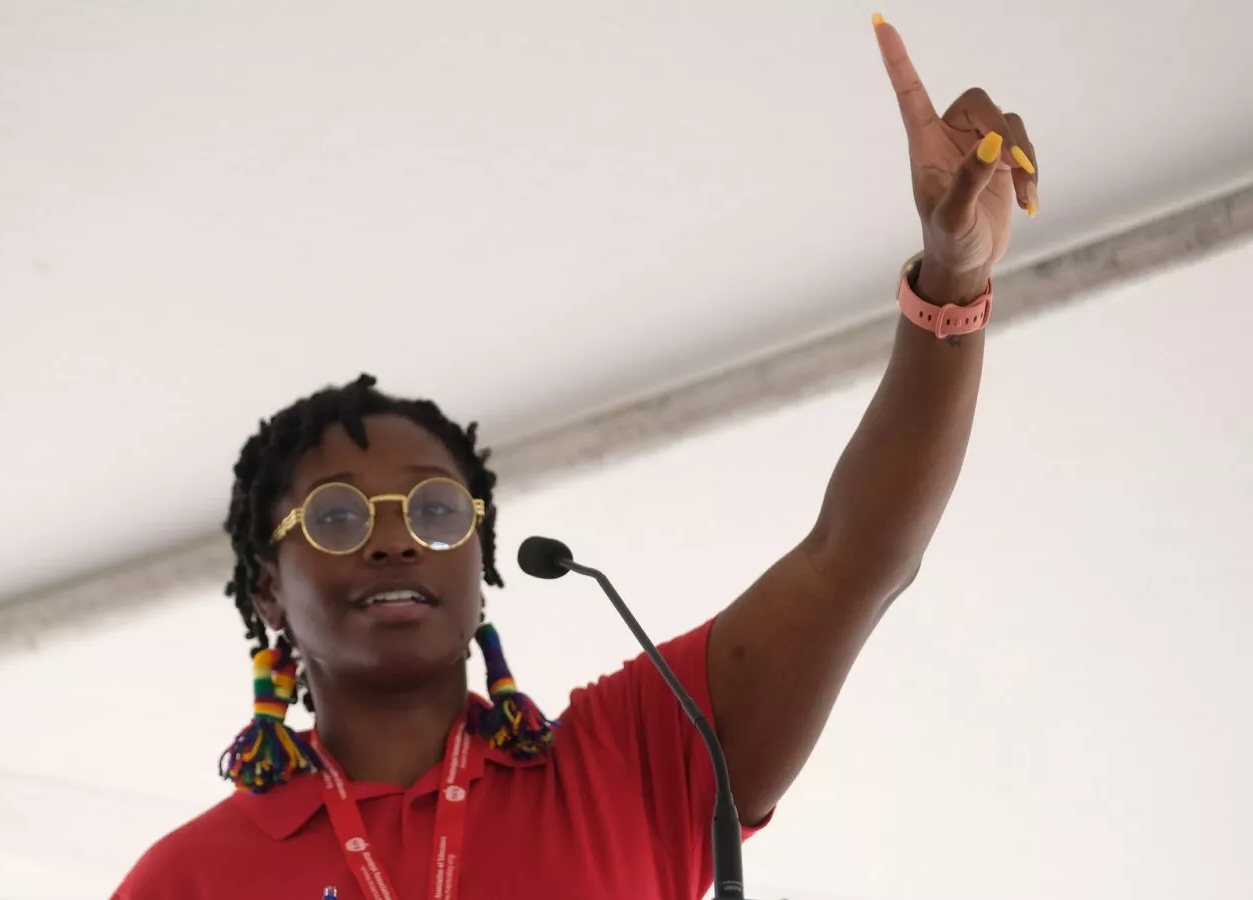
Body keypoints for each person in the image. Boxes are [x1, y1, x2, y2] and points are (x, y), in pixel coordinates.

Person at [114, 15, 1038, 900]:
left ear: (480, 558)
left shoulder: (633, 759)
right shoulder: (183, 882)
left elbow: (856, 557)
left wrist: (952, 284)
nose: (396, 542)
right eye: (338, 517)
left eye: (435, 511)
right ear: (267, 588)